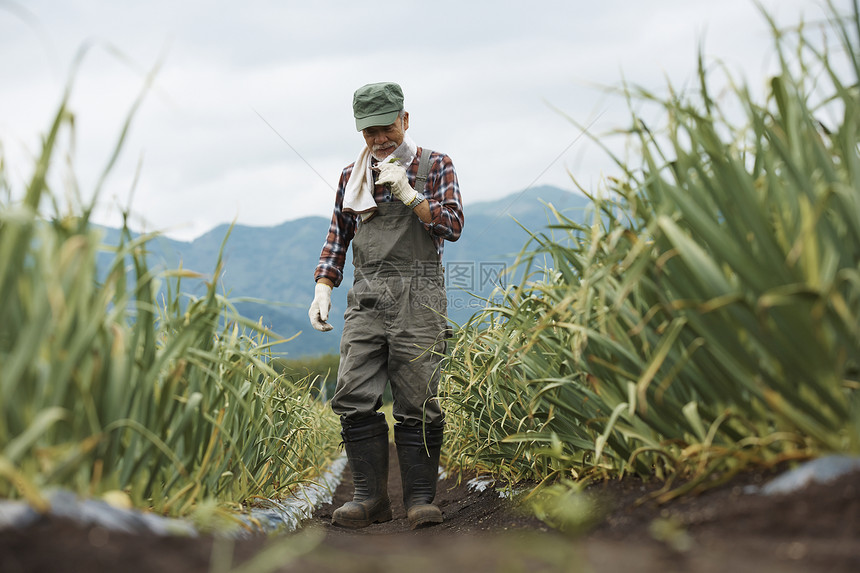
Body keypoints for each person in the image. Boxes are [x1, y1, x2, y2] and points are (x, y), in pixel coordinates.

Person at [308, 82, 463, 530]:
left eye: (387, 128)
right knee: (353, 393)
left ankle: (418, 499)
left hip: (420, 297)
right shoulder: (350, 177)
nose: (379, 140)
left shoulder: (436, 165)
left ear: (405, 120)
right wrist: (323, 287)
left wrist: (412, 195)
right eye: (369, 132)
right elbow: (337, 237)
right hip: (368, 297)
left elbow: (452, 225)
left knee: (418, 399)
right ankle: (369, 498)